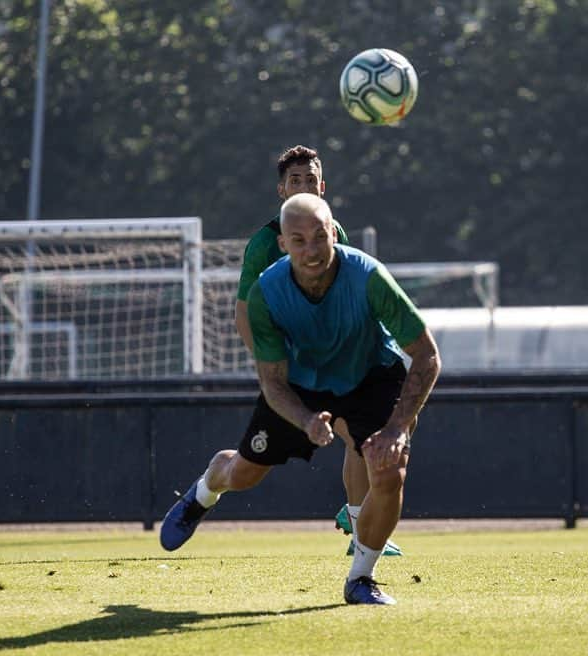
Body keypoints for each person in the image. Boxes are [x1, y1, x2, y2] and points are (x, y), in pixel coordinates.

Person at [161, 193, 441, 605]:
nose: (311, 251)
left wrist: (398, 428)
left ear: (333, 233)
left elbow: (427, 354)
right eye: (299, 240)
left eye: (319, 237)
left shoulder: (368, 276)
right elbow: (273, 383)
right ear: (283, 245)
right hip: (300, 384)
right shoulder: (266, 294)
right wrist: (307, 420)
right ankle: (203, 492)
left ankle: (361, 579)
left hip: (371, 375)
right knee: (243, 475)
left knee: (389, 469)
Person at [233, 144, 401, 557]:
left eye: (311, 179)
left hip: (329, 361)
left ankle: (359, 524)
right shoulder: (262, 244)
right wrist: (274, 370)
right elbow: (243, 314)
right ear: (281, 190)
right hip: (288, 371)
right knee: (249, 471)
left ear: (322, 186)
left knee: (360, 438)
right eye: (295, 180)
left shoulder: (334, 233)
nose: (304, 185)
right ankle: (204, 492)